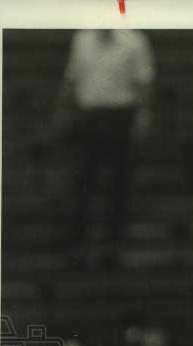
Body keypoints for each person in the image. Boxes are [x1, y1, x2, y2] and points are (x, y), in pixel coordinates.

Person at [55, 28, 155, 255]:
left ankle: (114, 244)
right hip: (89, 117)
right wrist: (62, 109)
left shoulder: (135, 41)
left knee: (119, 183)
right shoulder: (81, 40)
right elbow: (71, 78)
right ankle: (77, 241)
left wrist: (143, 115)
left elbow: (145, 81)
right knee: (83, 180)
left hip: (121, 117)